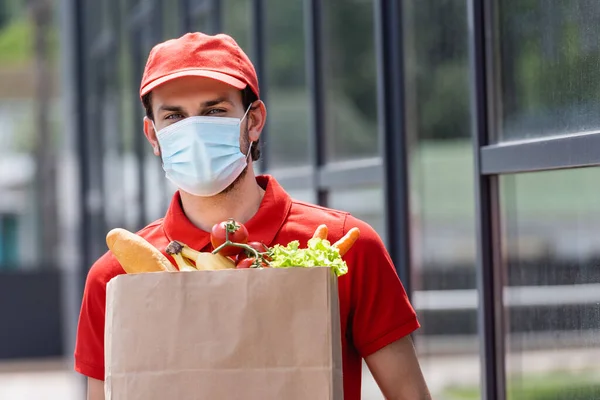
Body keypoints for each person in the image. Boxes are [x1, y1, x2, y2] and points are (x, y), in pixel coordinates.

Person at [74, 32, 431, 400]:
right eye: (174, 117)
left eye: (214, 111)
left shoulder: (344, 247)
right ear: (153, 135)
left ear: (254, 120)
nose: (194, 132)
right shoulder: (116, 278)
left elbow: (410, 395)